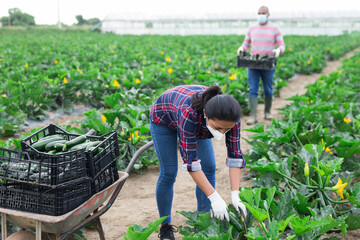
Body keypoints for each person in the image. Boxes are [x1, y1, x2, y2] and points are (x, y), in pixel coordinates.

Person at [149, 85, 247, 240]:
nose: (221, 133)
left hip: (199, 123)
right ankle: (165, 226)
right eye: (218, 128)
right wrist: (215, 198)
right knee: (169, 172)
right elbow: (191, 163)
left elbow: (235, 156)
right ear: (206, 114)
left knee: (209, 168)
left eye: (226, 130)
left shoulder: (231, 117)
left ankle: (202, 223)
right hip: (164, 117)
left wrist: (236, 195)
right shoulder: (189, 113)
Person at [237, 5, 286, 125]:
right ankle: (253, 116)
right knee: (253, 89)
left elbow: (281, 45)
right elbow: (246, 43)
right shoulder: (252, 28)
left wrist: (278, 51)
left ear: (268, 15)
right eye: (259, 13)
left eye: (263, 13)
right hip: (253, 63)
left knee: (268, 89)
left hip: (268, 63)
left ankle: (267, 112)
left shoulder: (275, 28)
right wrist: (241, 48)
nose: (261, 15)